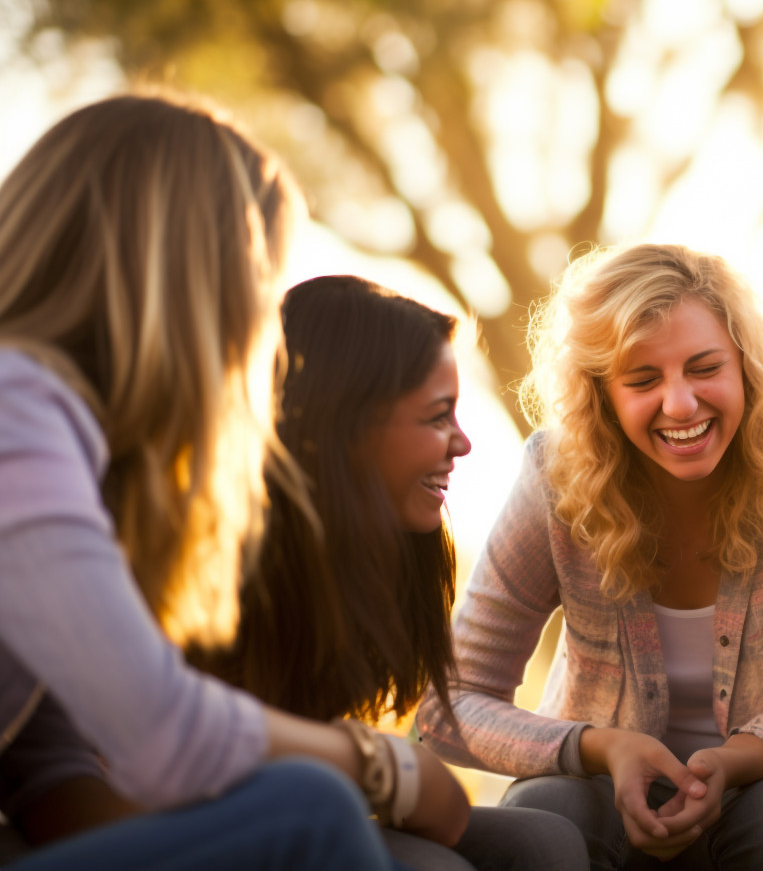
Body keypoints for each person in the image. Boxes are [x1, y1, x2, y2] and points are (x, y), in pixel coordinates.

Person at [0, 93, 466, 870]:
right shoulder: (18, 407)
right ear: (185, 273)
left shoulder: (73, 443)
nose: (263, 325)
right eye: (258, 276)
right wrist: (385, 765)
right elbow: (163, 736)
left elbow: (46, 758)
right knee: (313, 814)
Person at [417, 243, 763, 871]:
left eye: (704, 367)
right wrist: (601, 748)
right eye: (642, 381)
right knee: (547, 815)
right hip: (599, 789)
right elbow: (450, 705)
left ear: (746, 367)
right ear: (602, 396)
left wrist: (737, 759)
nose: (680, 404)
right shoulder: (555, 478)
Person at [197, 274, 588, 871]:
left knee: (543, 840)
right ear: (344, 423)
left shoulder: (383, 562)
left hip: (300, 808)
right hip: (180, 826)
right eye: (437, 417)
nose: (463, 444)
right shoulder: (210, 559)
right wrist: (388, 768)